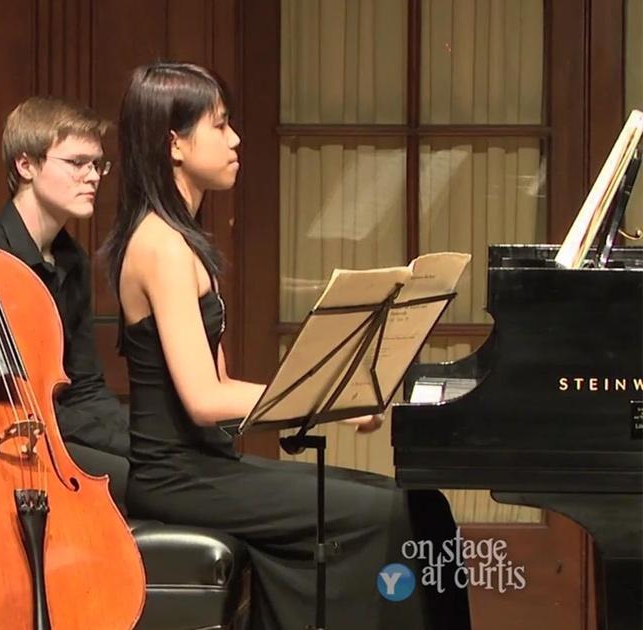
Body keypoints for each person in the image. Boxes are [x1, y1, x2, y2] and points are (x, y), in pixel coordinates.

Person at [100, 62, 471, 630]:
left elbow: (220, 388)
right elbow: (203, 400)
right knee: (391, 513)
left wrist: (332, 397)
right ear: (175, 144)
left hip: (208, 467)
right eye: (220, 126)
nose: (235, 139)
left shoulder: (183, 242)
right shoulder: (161, 247)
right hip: (178, 480)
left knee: (423, 504)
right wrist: (327, 399)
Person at [0, 96, 131, 502]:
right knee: (145, 480)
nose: (92, 176)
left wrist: (142, 439)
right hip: (15, 442)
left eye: (97, 164)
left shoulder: (72, 260)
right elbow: (20, 398)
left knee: (159, 467)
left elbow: (85, 384)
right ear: (26, 165)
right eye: (76, 163)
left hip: (65, 429)